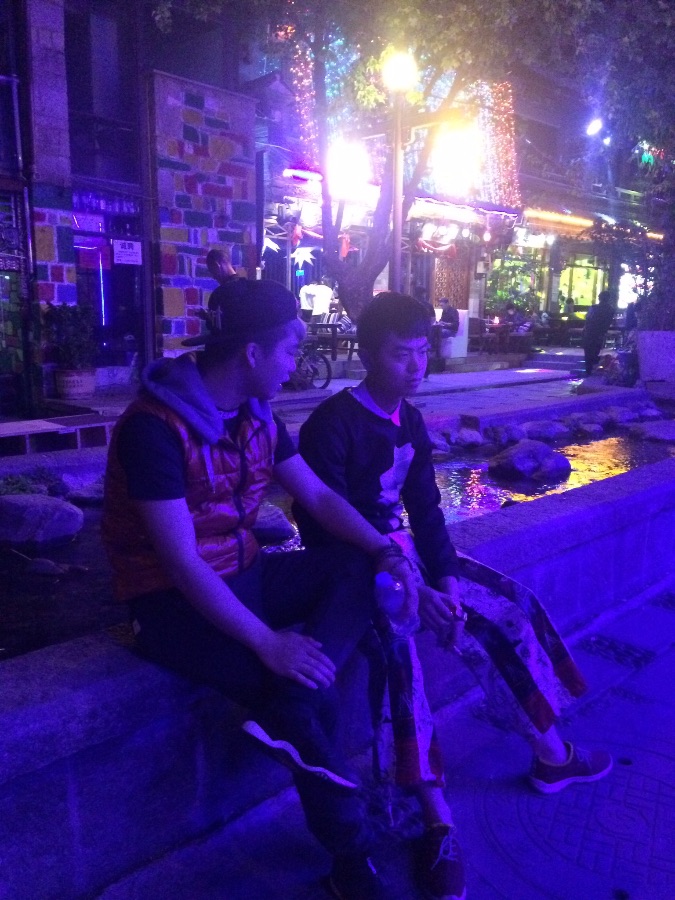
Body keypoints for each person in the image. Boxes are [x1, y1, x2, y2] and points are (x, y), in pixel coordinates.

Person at [101, 279, 418, 899]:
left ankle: (296, 698)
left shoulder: (258, 415)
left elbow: (318, 497)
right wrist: (269, 643)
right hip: (168, 603)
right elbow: (182, 563)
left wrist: (384, 549)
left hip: (244, 573)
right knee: (296, 696)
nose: (296, 364)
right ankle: (351, 854)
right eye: (291, 350)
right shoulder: (153, 429)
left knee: (355, 568)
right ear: (252, 354)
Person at [294, 292, 613, 899]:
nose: (416, 366)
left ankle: (552, 753)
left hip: (409, 561)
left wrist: (442, 583)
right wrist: (410, 589)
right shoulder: (330, 426)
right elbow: (320, 527)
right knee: (400, 661)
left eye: (422, 352)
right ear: (369, 354)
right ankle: (435, 820)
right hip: (353, 572)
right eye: (401, 354)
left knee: (506, 608)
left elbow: (426, 511)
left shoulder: (410, 422)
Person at [582, 290, 616, 376]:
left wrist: (585, 328)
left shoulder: (594, 308)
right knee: (595, 350)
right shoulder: (610, 309)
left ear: (599, 298)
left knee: (588, 351)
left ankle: (589, 370)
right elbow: (608, 322)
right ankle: (592, 367)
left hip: (590, 332)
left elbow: (588, 319)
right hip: (600, 333)